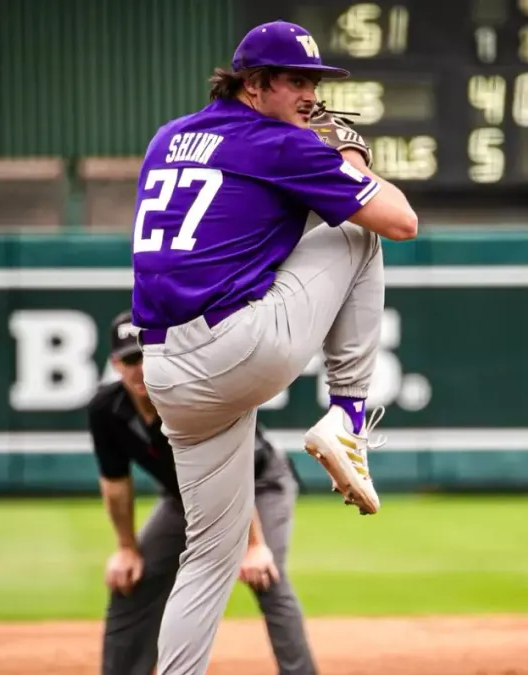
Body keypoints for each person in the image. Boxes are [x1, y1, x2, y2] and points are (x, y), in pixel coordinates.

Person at [130, 18, 419, 675]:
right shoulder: (281, 145)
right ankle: (347, 417)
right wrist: (351, 157)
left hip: (167, 371)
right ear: (254, 84)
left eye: (316, 82)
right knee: (360, 232)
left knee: (208, 553)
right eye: (296, 81)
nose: (310, 96)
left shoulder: (167, 137)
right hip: (237, 347)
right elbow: (403, 220)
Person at [89, 310, 319, 675]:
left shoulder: (189, 395)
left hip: (258, 484)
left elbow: (235, 473)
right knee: (135, 579)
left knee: (266, 576)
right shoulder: (107, 410)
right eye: (130, 359)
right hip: (187, 494)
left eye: (146, 354)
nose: (140, 368)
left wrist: (254, 546)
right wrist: (126, 548)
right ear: (116, 364)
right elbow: (115, 483)